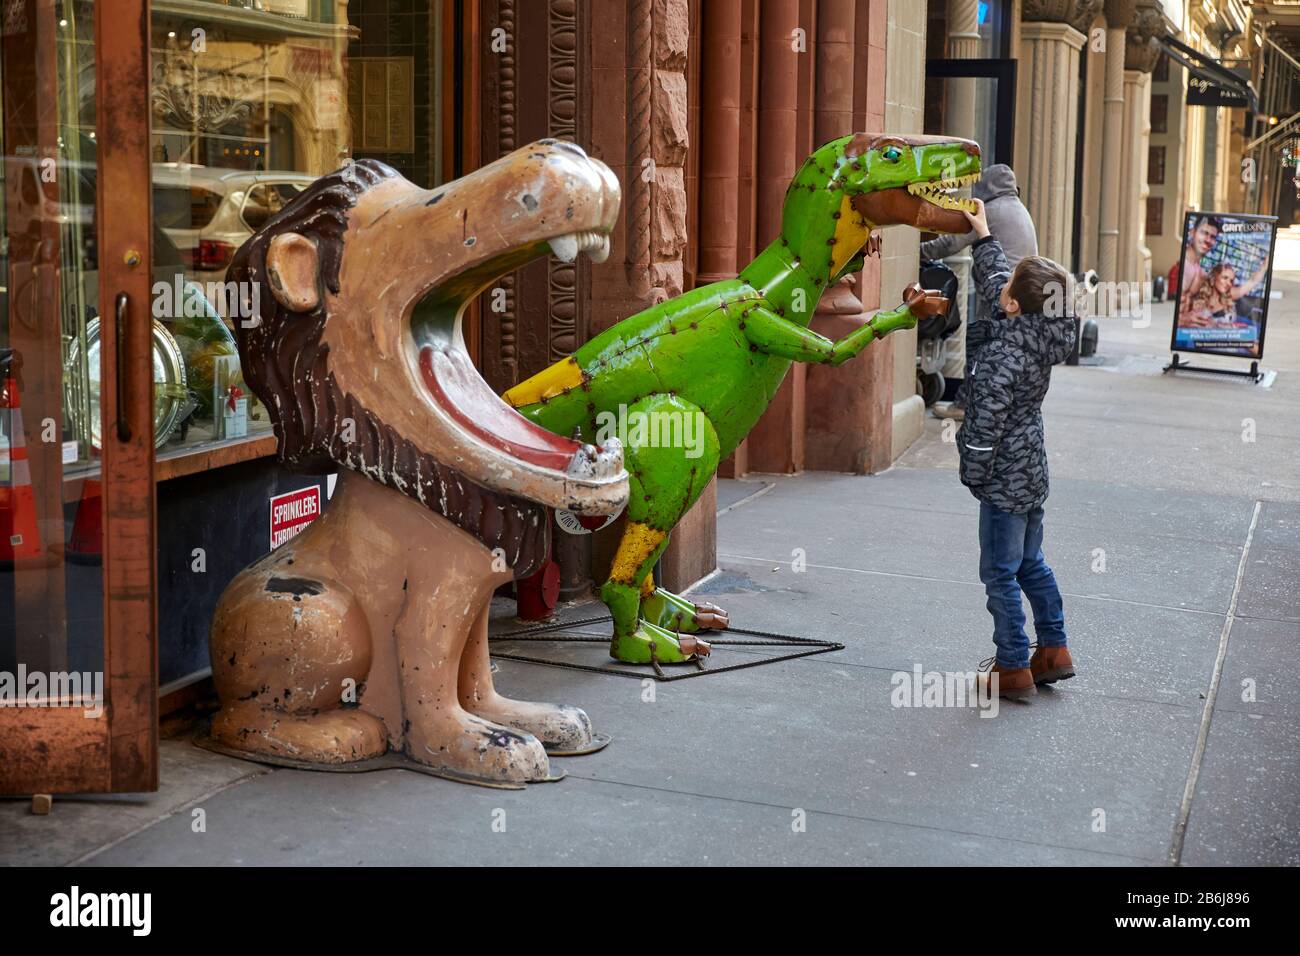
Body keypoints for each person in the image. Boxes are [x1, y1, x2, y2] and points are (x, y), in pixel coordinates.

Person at [956, 199, 1076, 701]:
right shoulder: (1036, 331)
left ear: (1013, 306)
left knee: (999, 573)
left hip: (1003, 480)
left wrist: (974, 472)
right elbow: (998, 280)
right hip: (1032, 472)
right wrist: (983, 234)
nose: (998, 289)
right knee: (1031, 563)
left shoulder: (1003, 354)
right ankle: (1054, 649)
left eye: (1006, 291)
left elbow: (985, 424)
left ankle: (1011, 664)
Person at [919, 163, 1039, 421]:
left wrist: (917, 254)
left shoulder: (992, 210)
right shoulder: (1017, 208)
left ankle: (964, 405)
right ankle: (989, 404)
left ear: (988, 186)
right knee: (996, 350)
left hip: (1001, 290)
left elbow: (953, 241)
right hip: (1018, 294)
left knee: (979, 346)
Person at [1182, 260, 1267, 328]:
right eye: (1225, 278)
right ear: (1213, 278)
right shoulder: (1197, 299)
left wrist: (1264, 266)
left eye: (1231, 280)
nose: (1228, 283)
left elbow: (1253, 281)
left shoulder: (1230, 295)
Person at [1177, 215, 1221, 314]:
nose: (1208, 240)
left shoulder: (1201, 273)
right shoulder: (1182, 264)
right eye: (1204, 233)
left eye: (1212, 237)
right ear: (1192, 232)